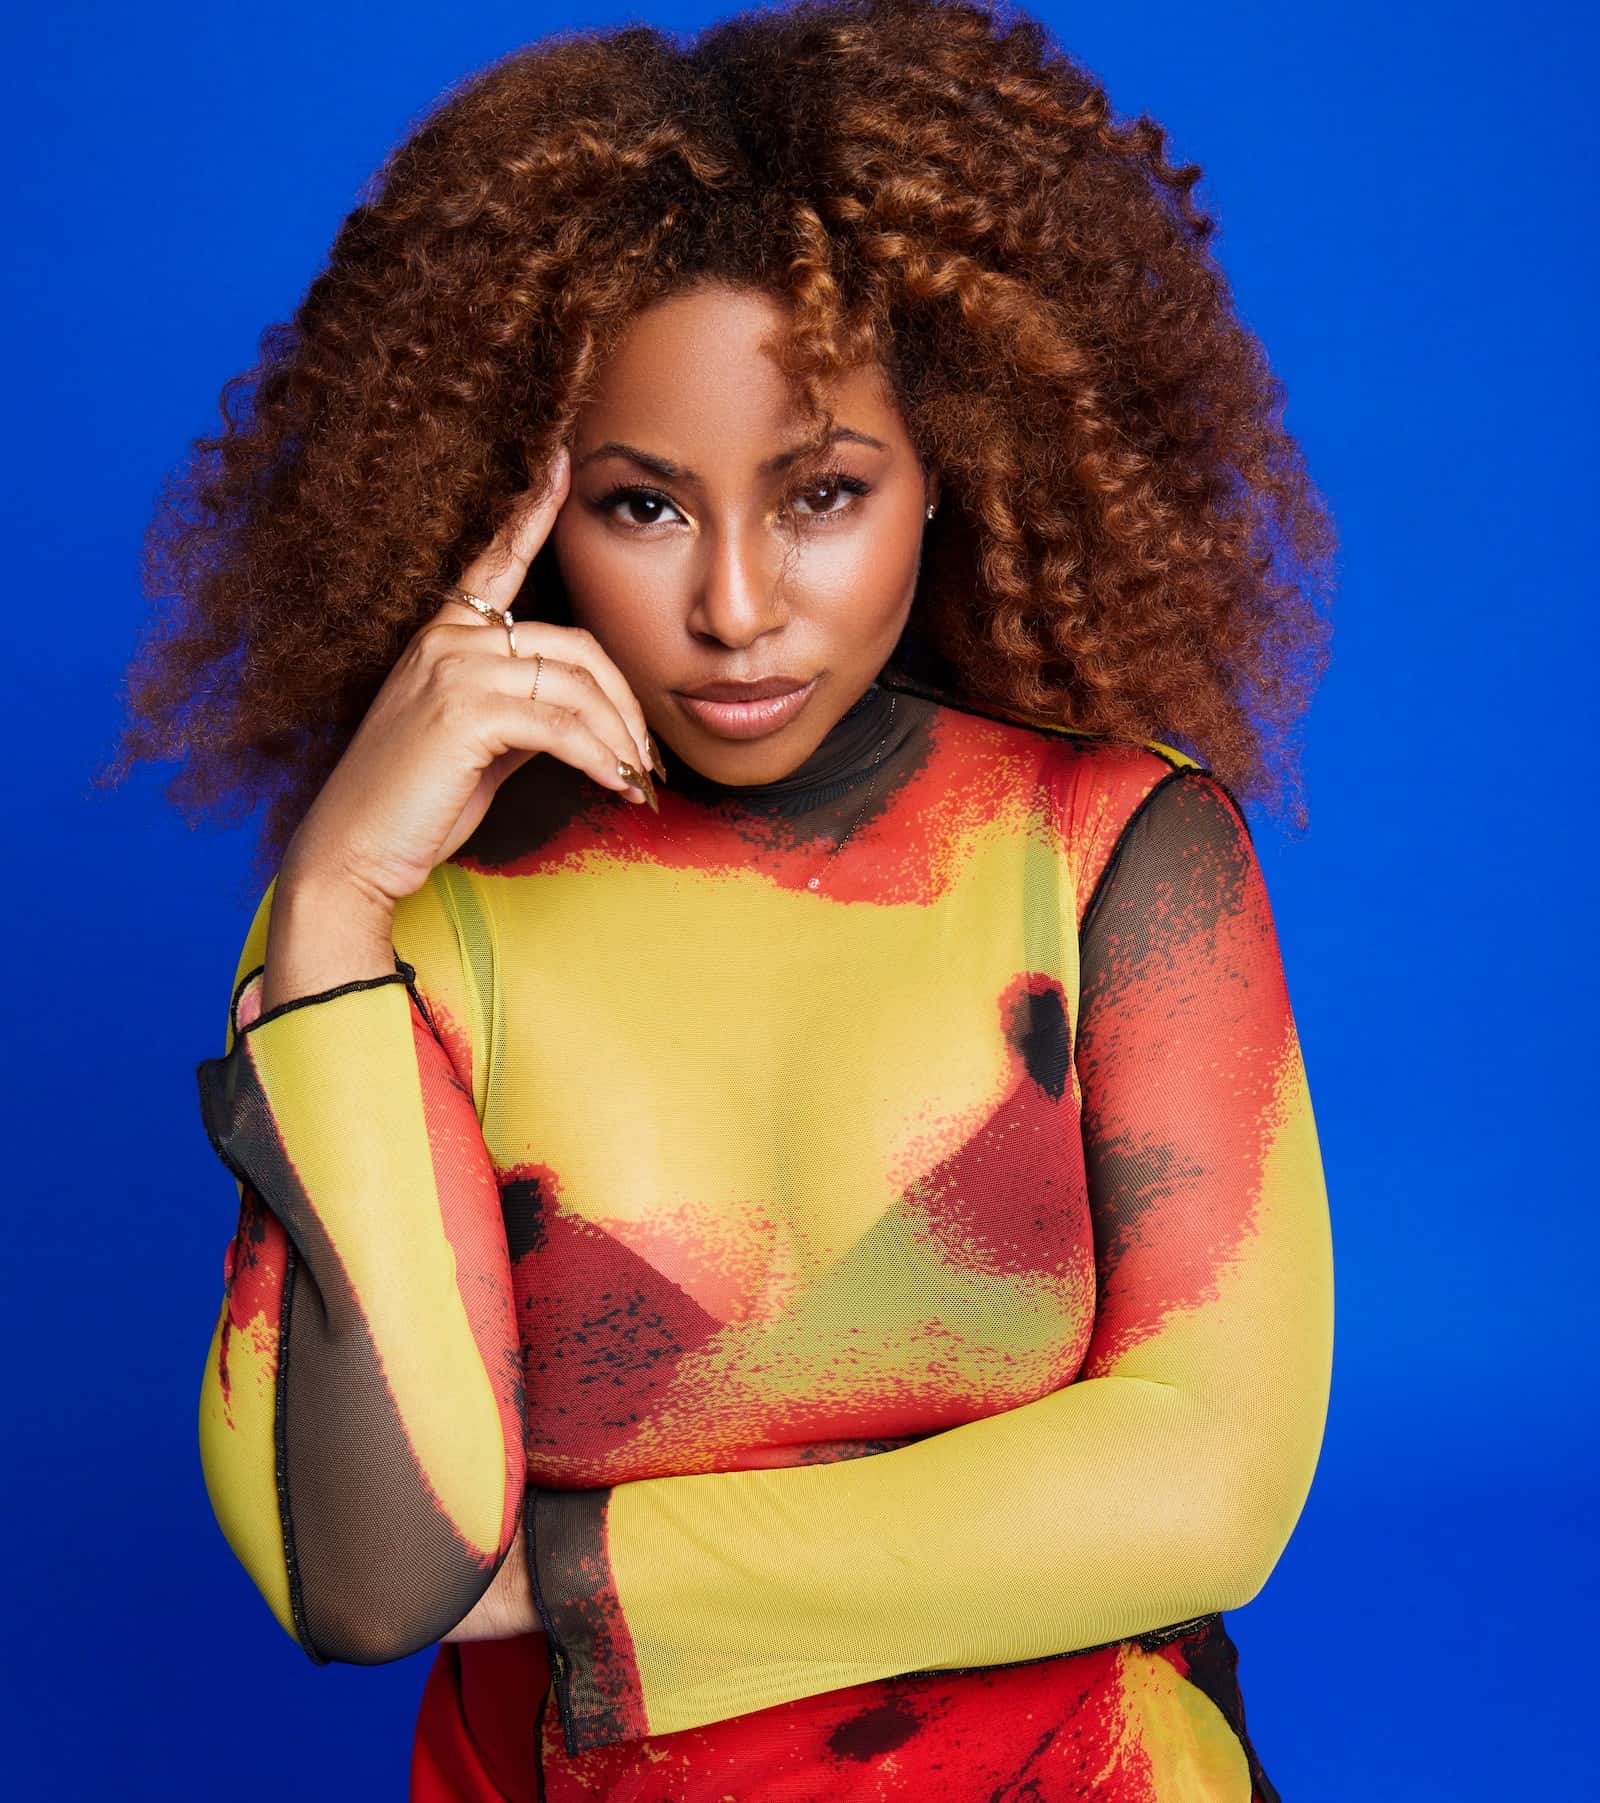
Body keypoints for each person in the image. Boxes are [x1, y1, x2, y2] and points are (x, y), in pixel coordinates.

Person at [111, 0, 1338, 1794]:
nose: (742, 606)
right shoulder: (393, 931)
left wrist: (582, 1574)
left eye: (823, 491)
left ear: (955, 473)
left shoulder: (1118, 855)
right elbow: (371, 1581)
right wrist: (325, 911)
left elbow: (1206, 1492)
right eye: (645, 507)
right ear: (519, 516)